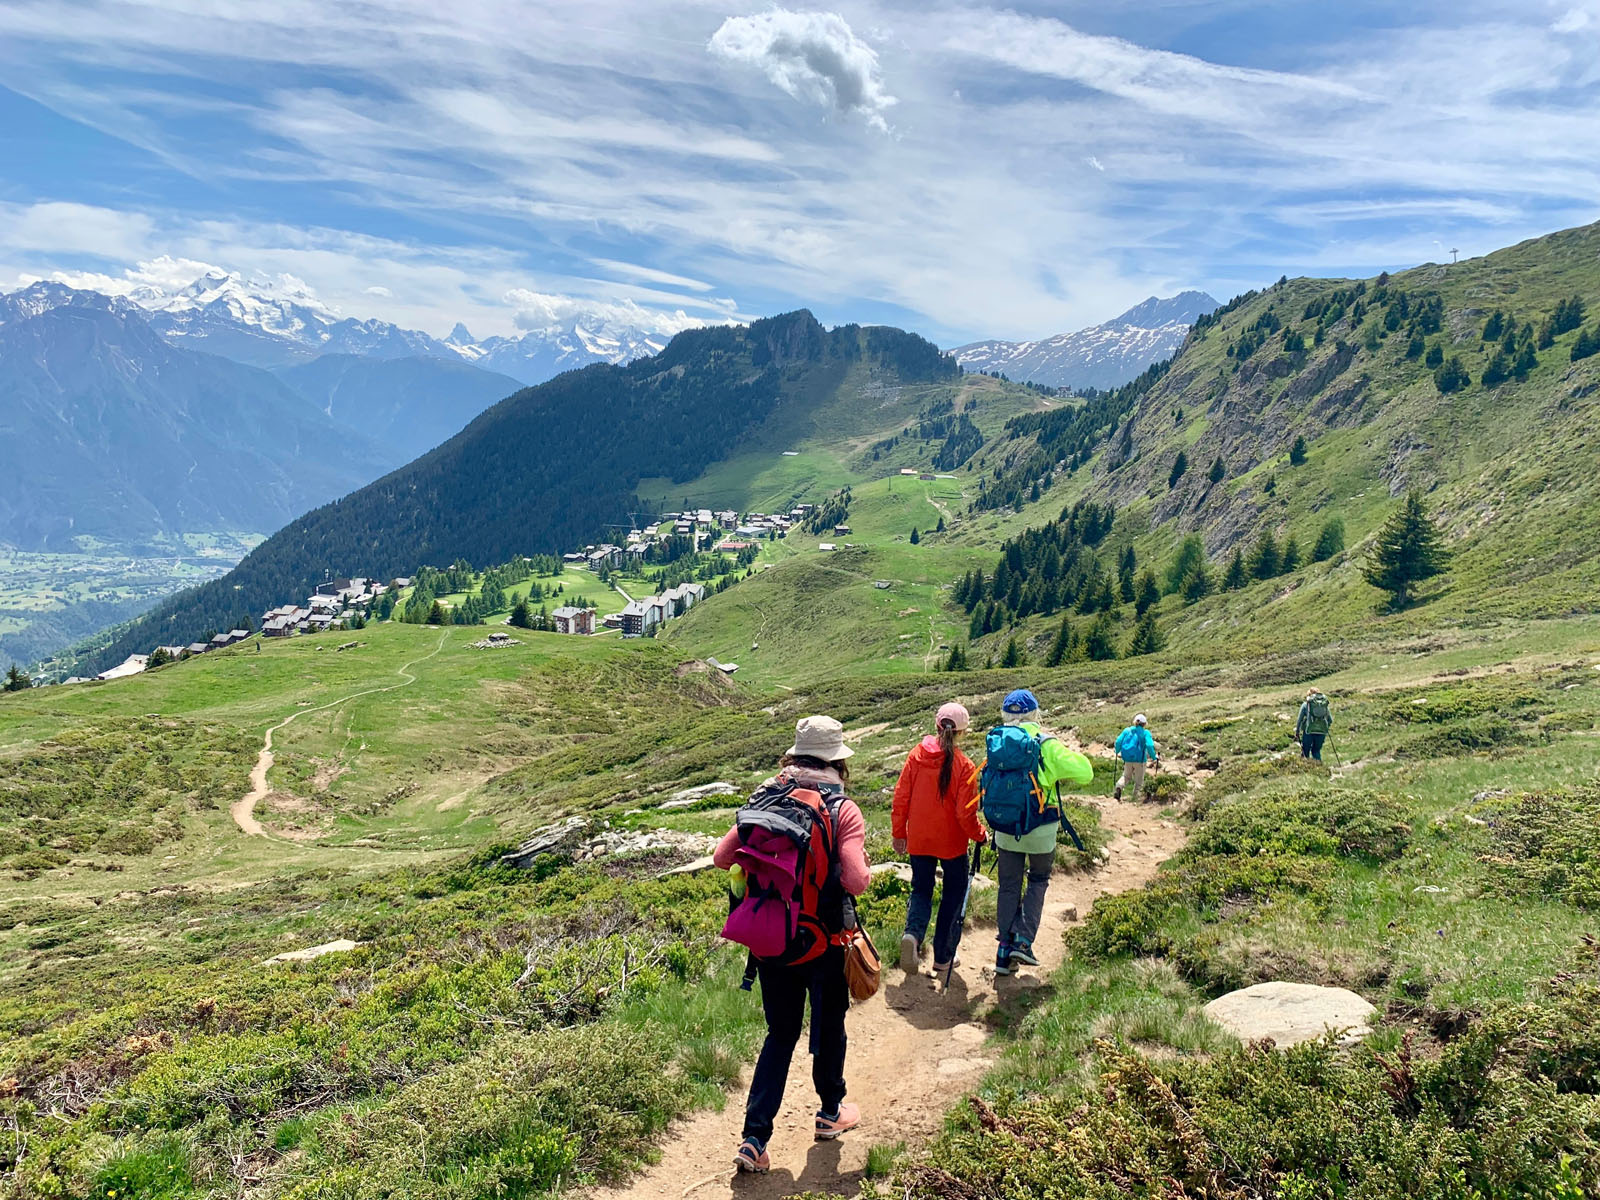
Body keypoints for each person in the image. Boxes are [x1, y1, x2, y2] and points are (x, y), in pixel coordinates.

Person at [715, 715, 871, 1174]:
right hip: (823, 941)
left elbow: (723, 858)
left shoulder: (767, 793)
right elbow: (858, 881)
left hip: (770, 941)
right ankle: (830, 1113)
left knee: (779, 1035)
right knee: (828, 1029)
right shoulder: (843, 809)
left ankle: (754, 1139)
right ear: (837, 761)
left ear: (795, 755)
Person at [986, 689, 1093, 977]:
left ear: (1005, 715)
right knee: (1038, 879)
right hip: (1040, 827)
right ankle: (1023, 939)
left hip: (1005, 828)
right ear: (1035, 714)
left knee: (1008, 886)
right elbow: (1086, 773)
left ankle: (1003, 952)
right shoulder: (1045, 743)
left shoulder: (997, 742)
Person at [892, 702, 986, 978]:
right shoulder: (964, 765)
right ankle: (943, 958)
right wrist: (980, 835)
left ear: (936, 726)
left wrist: (899, 833)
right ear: (962, 732)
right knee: (952, 896)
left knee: (921, 889)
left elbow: (901, 798)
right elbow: (965, 814)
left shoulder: (915, 756)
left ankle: (913, 934)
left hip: (919, 839)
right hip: (952, 843)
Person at [1113, 714, 1159, 801]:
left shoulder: (1127, 730)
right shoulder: (1146, 733)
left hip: (1127, 759)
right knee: (1139, 781)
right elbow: (1149, 745)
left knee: (1126, 776)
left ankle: (1119, 786)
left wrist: (1117, 751)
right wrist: (1153, 757)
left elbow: (1118, 741)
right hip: (1140, 760)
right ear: (1144, 724)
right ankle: (1135, 798)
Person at [1296, 688, 1333, 760]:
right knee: (1316, 751)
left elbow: (1299, 720)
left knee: (1305, 752)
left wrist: (1297, 731)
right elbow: (1330, 720)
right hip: (1321, 732)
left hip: (1308, 731)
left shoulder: (1305, 705)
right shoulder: (1323, 705)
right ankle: (1320, 768)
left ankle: (1306, 768)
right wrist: (1325, 727)